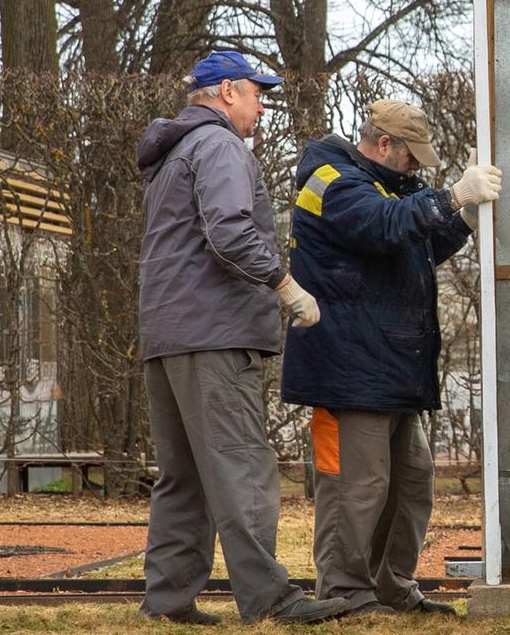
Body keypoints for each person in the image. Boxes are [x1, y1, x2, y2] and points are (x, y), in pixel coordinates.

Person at [135, 51, 349, 625]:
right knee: (243, 467)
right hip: (215, 333)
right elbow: (228, 230)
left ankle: (169, 601)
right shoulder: (220, 146)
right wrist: (285, 285)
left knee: (182, 477)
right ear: (227, 91)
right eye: (257, 94)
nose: (262, 107)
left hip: (166, 334)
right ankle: (271, 599)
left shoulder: (173, 152)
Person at [279, 100, 502, 617]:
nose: (416, 166)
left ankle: (390, 585)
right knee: (356, 488)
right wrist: (452, 196)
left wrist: (465, 217)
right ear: (384, 144)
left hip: (391, 367)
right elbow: (382, 226)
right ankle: (344, 592)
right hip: (347, 369)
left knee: (411, 483)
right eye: (411, 156)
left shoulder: (388, 186)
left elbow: (416, 243)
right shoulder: (334, 183)